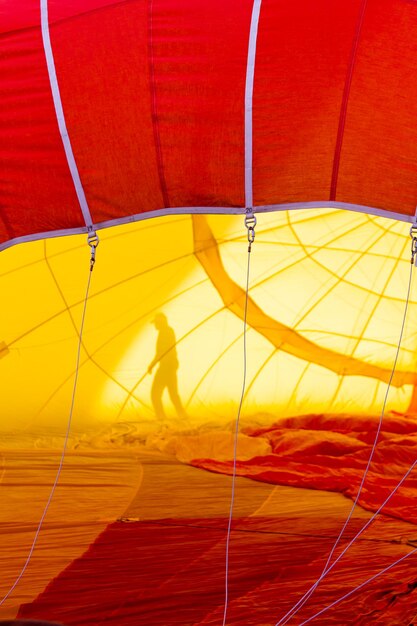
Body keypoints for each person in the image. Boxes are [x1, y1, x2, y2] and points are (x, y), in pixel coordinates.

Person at [148, 313, 188, 421]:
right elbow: (162, 352)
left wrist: (152, 365)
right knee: (173, 393)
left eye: (156, 323)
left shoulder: (165, 332)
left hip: (166, 366)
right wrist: (153, 364)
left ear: (161, 322)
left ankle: (161, 417)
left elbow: (161, 352)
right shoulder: (168, 331)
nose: (155, 325)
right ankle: (182, 414)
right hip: (171, 365)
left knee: (155, 394)